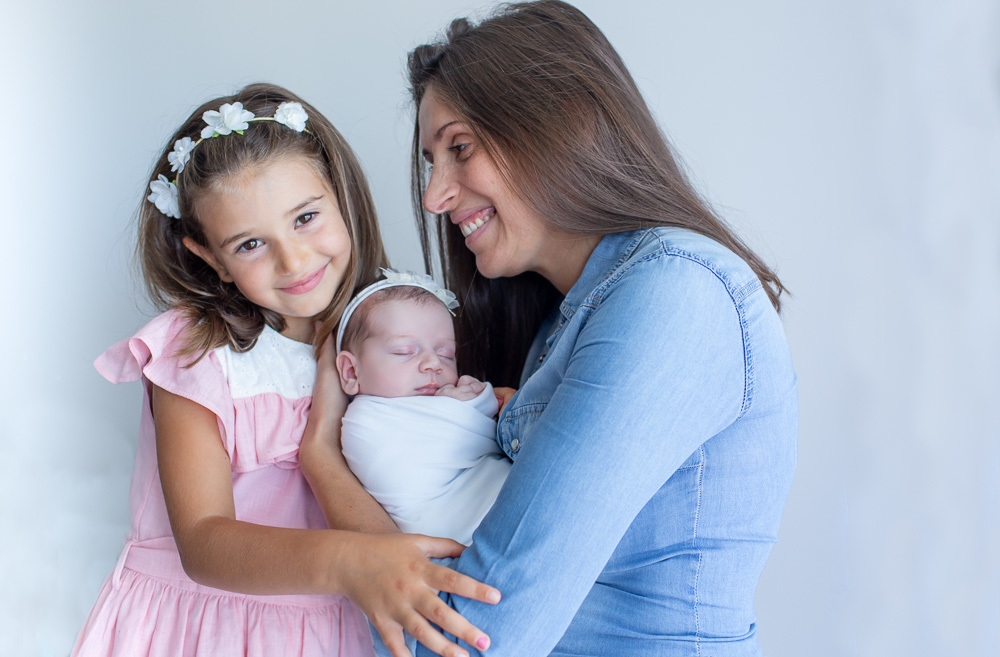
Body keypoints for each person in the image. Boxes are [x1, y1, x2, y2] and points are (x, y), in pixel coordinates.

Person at [359, 1, 797, 655]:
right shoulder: (562, 323)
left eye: (460, 148)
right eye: (431, 161)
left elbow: (478, 637)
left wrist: (324, 466)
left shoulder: (672, 296)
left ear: (555, 124)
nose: (433, 196)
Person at [71, 83, 499, 657]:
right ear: (208, 256)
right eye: (250, 243)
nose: (294, 261)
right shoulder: (194, 352)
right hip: (209, 632)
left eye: (305, 217)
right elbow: (204, 543)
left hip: (344, 624)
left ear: (340, 196)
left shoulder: (394, 329)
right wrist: (353, 561)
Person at [333, 270, 512, 546]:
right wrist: (471, 405)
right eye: (405, 351)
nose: (434, 364)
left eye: (446, 354)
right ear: (351, 372)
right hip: (469, 537)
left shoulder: (444, 399)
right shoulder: (364, 422)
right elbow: (402, 477)